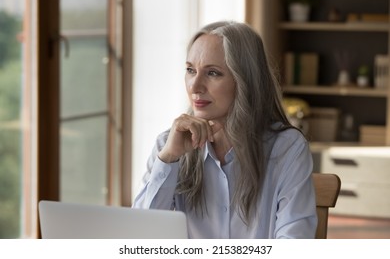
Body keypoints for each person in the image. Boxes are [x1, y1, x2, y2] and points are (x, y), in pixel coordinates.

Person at [132, 21, 317, 239]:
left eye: (212, 73)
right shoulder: (169, 145)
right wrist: (169, 159)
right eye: (190, 70)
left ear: (245, 80)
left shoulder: (287, 148)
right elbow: (140, 235)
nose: (194, 86)